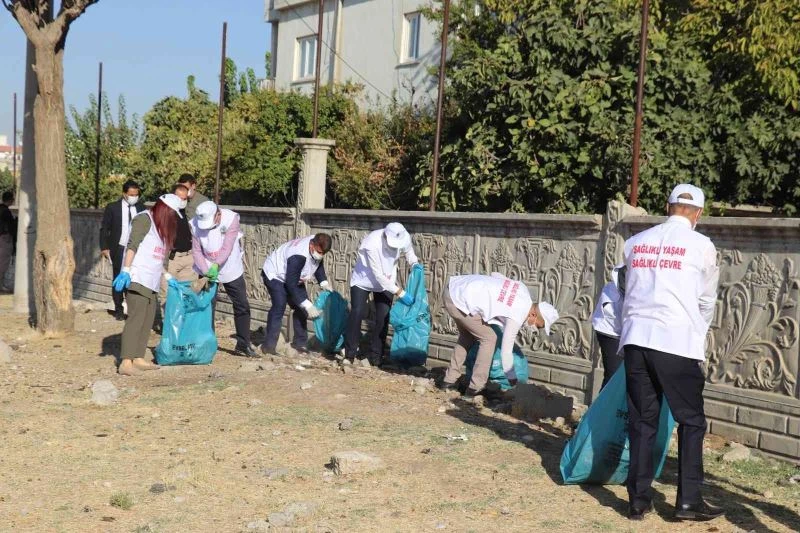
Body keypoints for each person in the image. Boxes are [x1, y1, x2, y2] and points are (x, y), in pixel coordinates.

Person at [619, 183, 722, 522]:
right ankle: (688, 501)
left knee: (642, 421)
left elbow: (624, 291)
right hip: (676, 341)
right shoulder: (702, 246)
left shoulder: (634, 243)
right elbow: (706, 301)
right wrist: (697, 336)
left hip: (636, 339)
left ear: (668, 206)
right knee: (691, 421)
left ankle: (638, 500)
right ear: (699, 214)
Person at [438, 273, 559, 399]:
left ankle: (449, 381)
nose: (536, 329)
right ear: (533, 315)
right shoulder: (517, 315)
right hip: (459, 300)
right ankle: (475, 388)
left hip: (454, 288)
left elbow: (495, 274)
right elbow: (506, 353)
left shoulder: (522, 290)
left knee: (467, 337)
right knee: (490, 338)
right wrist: (514, 383)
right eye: (539, 326)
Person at [112, 194, 183, 376]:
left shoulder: (161, 229)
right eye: (172, 213)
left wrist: (167, 276)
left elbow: (158, 258)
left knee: (147, 319)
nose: (173, 218)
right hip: (137, 276)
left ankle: (138, 357)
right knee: (136, 318)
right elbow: (132, 245)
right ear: (164, 209)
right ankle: (126, 361)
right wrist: (126, 270)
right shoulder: (144, 219)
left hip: (151, 280)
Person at [344, 223, 420, 367]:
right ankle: (350, 354)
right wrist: (400, 292)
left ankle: (376, 357)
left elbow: (409, 252)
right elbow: (378, 275)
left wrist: (415, 264)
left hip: (388, 279)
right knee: (357, 312)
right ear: (385, 236)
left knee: (383, 316)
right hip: (364, 280)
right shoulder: (372, 243)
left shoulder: (403, 236)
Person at [191, 200, 257, 357]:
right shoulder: (194, 224)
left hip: (230, 266)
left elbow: (227, 246)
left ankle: (243, 344)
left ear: (218, 214)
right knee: (207, 306)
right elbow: (196, 250)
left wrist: (217, 265)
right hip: (205, 265)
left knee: (241, 304)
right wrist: (207, 270)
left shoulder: (231, 218)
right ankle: (207, 342)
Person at [261, 234, 332, 355]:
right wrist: (307, 303)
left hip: (293, 277)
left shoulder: (317, 243)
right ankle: (269, 347)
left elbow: (317, 263)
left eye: (323, 253)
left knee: (301, 309)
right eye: (319, 252)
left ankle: (300, 344)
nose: (320, 255)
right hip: (275, 274)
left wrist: (323, 282)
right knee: (279, 306)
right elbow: (290, 284)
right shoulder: (298, 256)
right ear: (311, 245)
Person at [99, 180, 146, 319]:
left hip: (135, 249)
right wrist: (104, 247)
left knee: (134, 279)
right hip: (119, 248)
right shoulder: (113, 208)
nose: (134, 197)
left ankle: (132, 309)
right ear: (124, 193)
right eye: (131, 194)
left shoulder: (141, 208)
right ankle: (118, 308)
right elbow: (104, 229)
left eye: (136, 194)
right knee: (119, 278)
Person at [591, 264, 626, 388]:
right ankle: (602, 407)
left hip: (619, 326)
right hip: (609, 329)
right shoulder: (626, 276)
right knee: (613, 375)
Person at [0, 190, 17, 292]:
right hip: (4, 239)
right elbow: (10, 227)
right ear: (10, 200)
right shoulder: (5, 212)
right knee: (3, 263)